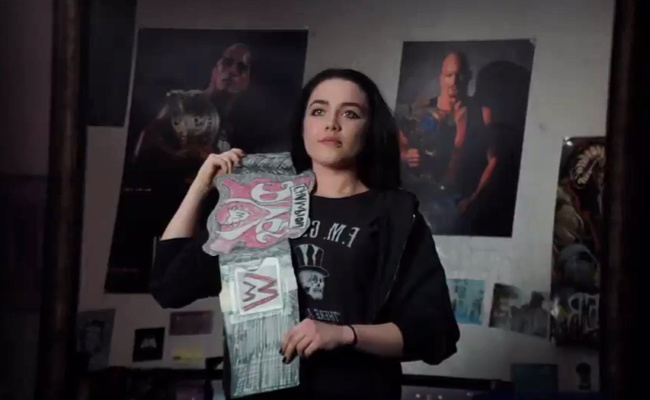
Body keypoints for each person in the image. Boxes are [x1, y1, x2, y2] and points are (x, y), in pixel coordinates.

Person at [150, 68, 460, 400]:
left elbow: (434, 334)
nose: (332, 124)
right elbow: (169, 287)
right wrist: (200, 186)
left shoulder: (395, 215)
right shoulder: (258, 202)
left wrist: (344, 335)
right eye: (318, 111)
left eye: (350, 114)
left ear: (370, 128)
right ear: (302, 125)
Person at [132, 42, 252, 179]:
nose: (233, 71)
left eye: (242, 67)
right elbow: (144, 149)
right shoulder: (184, 103)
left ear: (247, 81)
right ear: (215, 70)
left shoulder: (242, 128)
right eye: (227, 62)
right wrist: (183, 157)